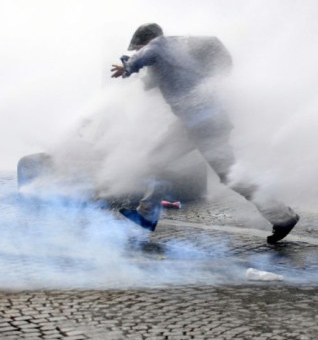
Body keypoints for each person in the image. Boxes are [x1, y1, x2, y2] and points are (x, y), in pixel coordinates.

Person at [110, 23, 299, 244]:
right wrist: (131, 68)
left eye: (138, 46)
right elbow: (148, 82)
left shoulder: (162, 45)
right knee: (157, 159)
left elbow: (148, 53)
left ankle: (283, 216)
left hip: (205, 124)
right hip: (192, 124)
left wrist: (129, 66)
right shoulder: (170, 57)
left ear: (147, 40)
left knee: (230, 176)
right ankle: (147, 214)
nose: (138, 50)